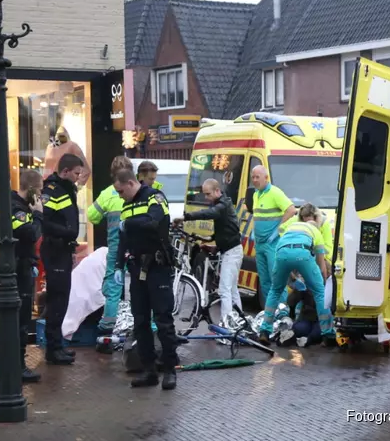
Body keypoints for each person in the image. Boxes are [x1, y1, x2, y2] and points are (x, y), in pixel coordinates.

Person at [114, 169, 178, 389]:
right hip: (137, 267)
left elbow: (152, 221)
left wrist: (128, 224)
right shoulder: (126, 205)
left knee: (163, 319)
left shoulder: (155, 197)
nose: (120, 195)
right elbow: (122, 239)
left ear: (131, 183)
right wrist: (118, 265)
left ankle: (170, 369)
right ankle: (149, 370)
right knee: (140, 320)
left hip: (158, 266)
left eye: (121, 191)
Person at [0, 169, 45, 382]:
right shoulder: (17, 209)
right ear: (31, 189)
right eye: (39, 190)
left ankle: (1, 366)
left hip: (19, 267)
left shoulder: (19, 206)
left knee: (13, 320)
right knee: (19, 320)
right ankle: (18, 367)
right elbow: (31, 234)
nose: (40, 196)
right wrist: (39, 214)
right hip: (16, 269)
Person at [259, 203, 336, 347]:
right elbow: (321, 263)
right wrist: (324, 279)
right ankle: (328, 333)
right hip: (302, 254)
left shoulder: (292, 227)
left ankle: (264, 330)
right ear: (317, 223)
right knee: (320, 293)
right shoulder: (316, 232)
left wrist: (291, 274)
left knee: (275, 291)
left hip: (281, 253)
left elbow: (283, 248)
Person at [173, 178, 243, 323]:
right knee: (232, 290)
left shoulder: (222, 206)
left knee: (224, 290)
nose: (206, 198)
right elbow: (226, 231)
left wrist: (186, 217)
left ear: (217, 191)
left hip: (232, 252)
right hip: (230, 250)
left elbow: (209, 213)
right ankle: (238, 323)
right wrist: (211, 241)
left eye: (208, 194)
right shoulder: (223, 204)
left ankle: (227, 327)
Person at [40, 153, 84, 365]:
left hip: (64, 250)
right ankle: (53, 349)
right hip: (55, 250)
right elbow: (45, 222)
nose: (78, 177)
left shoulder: (66, 189)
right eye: (76, 173)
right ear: (65, 171)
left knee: (62, 299)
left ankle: (57, 346)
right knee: (56, 299)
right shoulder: (51, 191)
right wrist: (67, 234)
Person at [87, 156, 134, 335]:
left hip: (116, 249)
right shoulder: (139, 190)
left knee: (113, 289)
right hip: (137, 248)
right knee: (142, 287)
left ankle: (107, 329)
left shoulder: (108, 193)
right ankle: (149, 328)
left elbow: (92, 216)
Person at [250, 165, 296, 306]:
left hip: (272, 244)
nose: (255, 180)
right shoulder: (256, 194)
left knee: (276, 279)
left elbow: (291, 210)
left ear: (266, 178)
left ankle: (281, 313)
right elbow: (258, 216)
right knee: (264, 280)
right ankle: (269, 311)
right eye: (253, 177)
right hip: (260, 243)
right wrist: (254, 230)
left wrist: (278, 230)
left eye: (258, 177)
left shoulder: (275, 193)